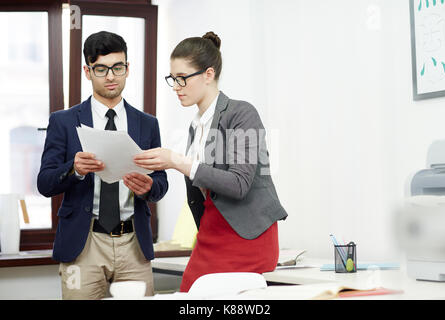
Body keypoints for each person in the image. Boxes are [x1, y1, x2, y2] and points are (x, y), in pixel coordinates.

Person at [133, 31, 288, 292]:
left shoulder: (242, 113)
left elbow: (239, 184)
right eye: (173, 79)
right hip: (210, 232)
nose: (176, 87)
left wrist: (175, 161)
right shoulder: (197, 126)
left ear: (208, 74)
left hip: (245, 235)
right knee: (188, 293)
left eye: (182, 78)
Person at [37, 31, 168, 299]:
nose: (110, 76)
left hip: (134, 242)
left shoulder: (147, 123)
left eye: (117, 68)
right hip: (84, 242)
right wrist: (74, 169)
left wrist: (149, 187)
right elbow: (45, 183)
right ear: (88, 71)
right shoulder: (64, 121)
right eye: (101, 69)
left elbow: (161, 183)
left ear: (127, 68)